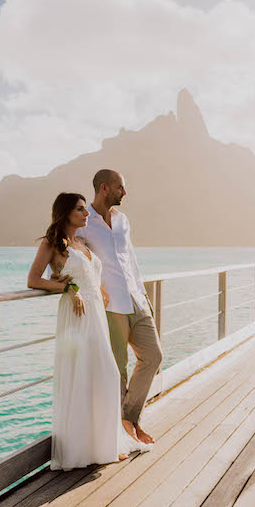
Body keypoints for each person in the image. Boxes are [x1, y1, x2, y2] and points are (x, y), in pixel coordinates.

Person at [27, 192, 150, 470]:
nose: (86, 214)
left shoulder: (82, 242)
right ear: (66, 213)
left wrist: (101, 289)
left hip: (96, 313)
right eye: (80, 210)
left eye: (85, 209)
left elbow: (92, 274)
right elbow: (33, 279)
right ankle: (85, 450)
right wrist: (68, 288)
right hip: (76, 315)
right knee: (85, 375)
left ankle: (105, 444)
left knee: (104, 375)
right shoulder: (52, 244)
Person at [77, 169, 162, 445]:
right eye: (120, 188)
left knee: (154, 356)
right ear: (104, 188)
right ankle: (122, 431)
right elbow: (72, 260)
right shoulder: (83, 224)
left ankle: (128, 417)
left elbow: (131, 260)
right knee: (118, 368)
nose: (124, 192)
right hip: (110, 303)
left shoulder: (123, 221)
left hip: (136, 298)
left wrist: (145, 296)